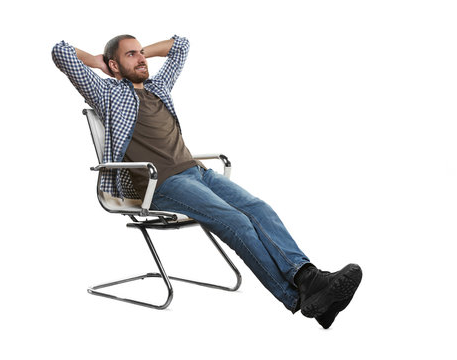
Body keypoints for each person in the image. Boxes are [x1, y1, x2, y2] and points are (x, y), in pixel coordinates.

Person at [52, 34, 362, 328]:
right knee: (236, 221)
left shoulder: (159, 87)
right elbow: (61, 51)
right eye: (131, 54)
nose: (141, 58)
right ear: (114, 65)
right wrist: (98, 61)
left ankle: (311, 280)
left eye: (142, 52)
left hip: (198, 172)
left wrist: (141, 51)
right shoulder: (107, 93)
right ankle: (296, 295)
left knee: (260, 209)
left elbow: (181, 45)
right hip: (159, 184)